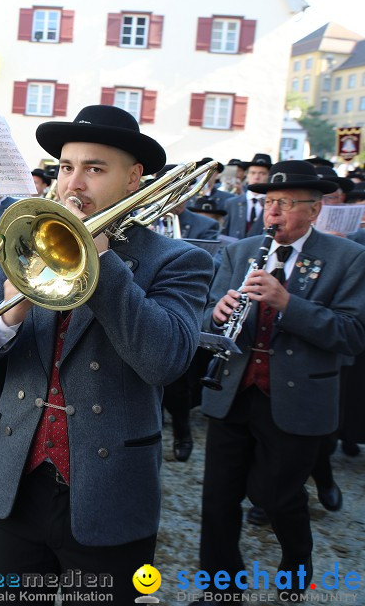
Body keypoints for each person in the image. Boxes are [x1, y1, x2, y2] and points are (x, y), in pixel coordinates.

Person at [0, 105, 213, 603]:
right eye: (67, 167)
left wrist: (102, 259)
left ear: (134, 178)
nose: (75, 184)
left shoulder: (178, 260)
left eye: (95, 168)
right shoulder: (23, 241)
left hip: (108, 494)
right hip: (13, 486)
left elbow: (165, 361)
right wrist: (9, 312)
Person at [199, 160, 365, 598]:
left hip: (297, 398)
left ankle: (296, 568)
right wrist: (215, 315)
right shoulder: (239, 251)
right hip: (233, 391)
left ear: (314, 211)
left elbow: (352, 334)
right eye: (270, 202)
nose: (273, 213)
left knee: (277, 498)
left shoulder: (347, 257)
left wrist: (288, 303)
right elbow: (206, 310)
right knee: (218, 500)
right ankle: (221, 587)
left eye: (287, 204)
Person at [221, 153, 272, 239]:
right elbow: (224, 234)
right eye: (253, 173)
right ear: (247, 175)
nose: (256, 177)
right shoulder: (232, 203)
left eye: (262, 173)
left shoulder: (272, 205)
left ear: (269, 176)